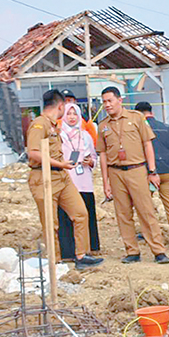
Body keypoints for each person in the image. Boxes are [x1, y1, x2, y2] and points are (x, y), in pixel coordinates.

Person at [26, 89, 104, 270]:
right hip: (43, 176)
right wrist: (60, 164)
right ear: (60, 106)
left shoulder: (54, 126)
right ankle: (56, 261)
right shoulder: (39, 124)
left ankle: (81, 254)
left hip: (61, 176)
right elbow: (34, 153)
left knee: (80, 213)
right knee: (51, 222)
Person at [97, 87, 169, 264]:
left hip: (137, 170)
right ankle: (132, 251)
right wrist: (105, 182)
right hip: (115, 172)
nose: (107, 105)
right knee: (123, 214)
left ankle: (158, 251)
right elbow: (103, 155)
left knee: (146, 211)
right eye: (104, 102)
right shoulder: (103, 125)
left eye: (110, 101)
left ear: (119, 100)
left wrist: (152, 171)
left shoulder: (137, 118)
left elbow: (147, 145)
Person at [133, 102, 169, 251]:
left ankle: (147, 233)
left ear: (138, 114)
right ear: (152, 112)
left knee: (145, 205)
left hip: (148, 172)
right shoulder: (166, 127)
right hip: (168, 170)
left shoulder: (138, 127)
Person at [57, 103, 100, 261]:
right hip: (68, 179)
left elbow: (94, 157)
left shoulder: (86, 135)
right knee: (67, 217)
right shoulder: (59, 135)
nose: (72, 117)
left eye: (75, 114)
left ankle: (89, 248)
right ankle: (69, 251)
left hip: (84, 180)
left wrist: (90, 162)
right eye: (69, 114)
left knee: (86, 214)